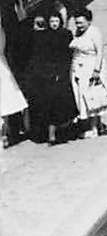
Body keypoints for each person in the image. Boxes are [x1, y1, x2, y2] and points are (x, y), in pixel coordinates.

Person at [21, 9, 74, 144]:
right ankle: (49, 134)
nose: (54, 24)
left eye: (56, 21)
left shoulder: (65, 34)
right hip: (46, 75)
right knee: (47, 104)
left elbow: (68, 54)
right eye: (51, 21)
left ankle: (61, 130)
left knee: (60, 103)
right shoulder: (43, 35)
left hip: (60, 72)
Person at [67, 6, 107, 139]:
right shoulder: (77, 32)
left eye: (81, 22)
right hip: (78, 68)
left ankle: (93, 128)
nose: (79, 25)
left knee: (92, 97)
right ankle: (94, 125)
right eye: (77, 23)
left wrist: (96, 71)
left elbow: (100, 52)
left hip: (90, 67)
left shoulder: (95, 32)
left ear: (89, 21)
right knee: (82, 97)